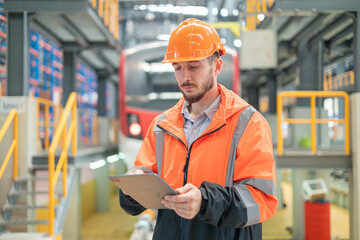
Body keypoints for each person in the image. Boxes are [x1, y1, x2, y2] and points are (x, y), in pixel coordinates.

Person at [119, 18, 277, 240]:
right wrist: (132, 188)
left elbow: (262, 200)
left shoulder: (248, 123)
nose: (185, 77)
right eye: (177, 68)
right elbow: (145, 178)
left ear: (217, 66)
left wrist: (205, 201)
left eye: (194, 66)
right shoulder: (161, 127)